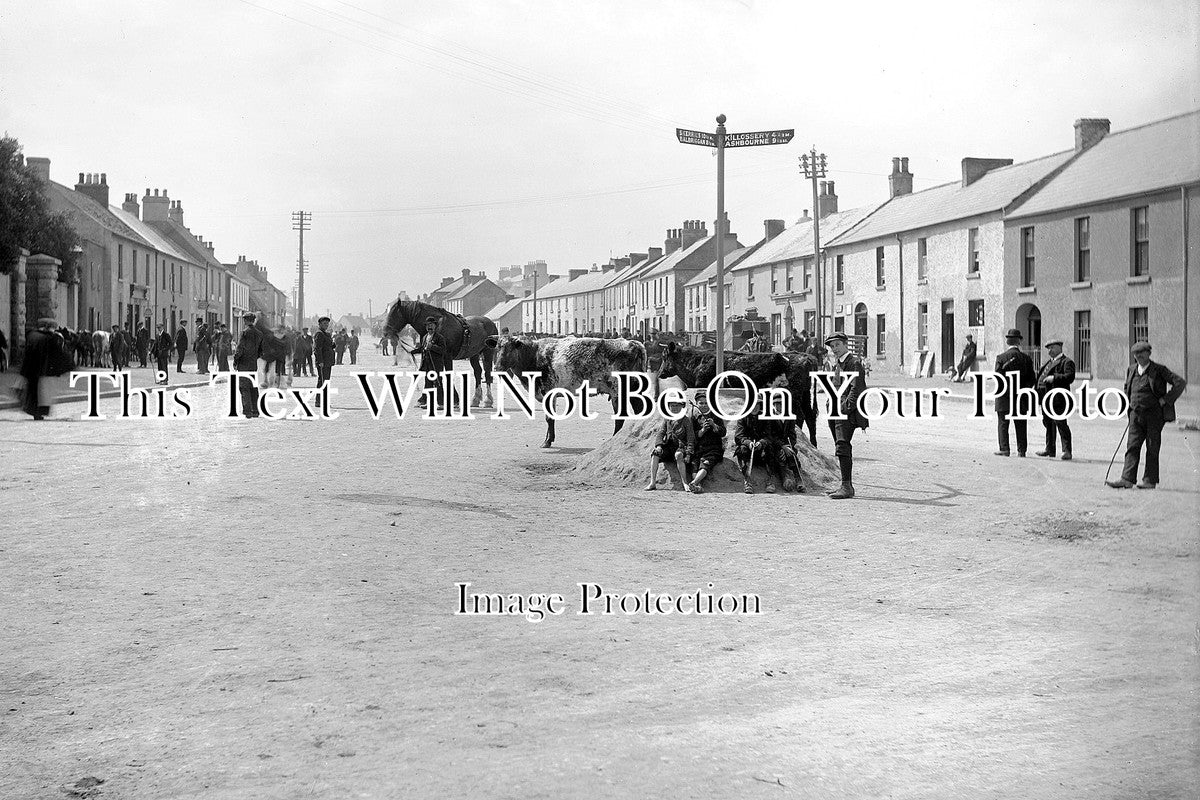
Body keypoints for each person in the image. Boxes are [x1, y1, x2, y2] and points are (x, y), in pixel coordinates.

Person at [1108, 341, 1187, 489]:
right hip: (1135, 415)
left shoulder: (1159, 369)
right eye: (1136, 354)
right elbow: (1127, 387)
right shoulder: (1131, 369)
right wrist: (1129, 404)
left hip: (1154, 415)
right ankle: (1127, 479)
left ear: (1149, 354)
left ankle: (1149, 481)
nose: (1139, 356)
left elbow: (1180, 383)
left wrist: (1166, 399)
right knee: (1132, 446)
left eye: (1142, 353)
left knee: (1152, 447)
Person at [824, 332, 868, 499]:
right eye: (832, 346)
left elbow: (856, 390)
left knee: (843, 445)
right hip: (835, 410)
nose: (834, 349)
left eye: (837, 345)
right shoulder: (839, 363)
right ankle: (844, 484)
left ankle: (847, 486)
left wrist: (844, 409)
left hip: (845, 412)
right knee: (839, 446)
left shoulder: (854, 363)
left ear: (844, 344)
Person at [994, 328, 1036, 457]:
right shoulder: (1026, 359)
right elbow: (1032, 379)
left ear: (1007, 341)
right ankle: (1021, 450)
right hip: (1020, 398)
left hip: (1004, 397)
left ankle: (1004, 449)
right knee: (1021, 424)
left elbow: (998, 379)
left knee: (1003, 423)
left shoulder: (1001, 358)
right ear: (1019, 342)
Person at [20, 318, 71, 420]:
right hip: (42, 370)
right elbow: (57, 354)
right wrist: (68, 364)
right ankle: (39, 412)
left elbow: (25, 353)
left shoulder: (31, 335)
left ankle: (32, 410)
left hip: (30, 369)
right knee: (42, 392)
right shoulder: (49, 338)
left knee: (32, 392)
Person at [1035, 337, 1076, 460]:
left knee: (1061, 423)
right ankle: (1050, 449)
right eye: (1048, 349)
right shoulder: (1048, 363)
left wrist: (1054, 378)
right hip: (1046, 399)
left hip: (1059, 399)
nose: (1049, 351)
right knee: (1048, 423)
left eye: (1052, 348)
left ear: (1059, 347)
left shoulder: (1066, 362)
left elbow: (1069, 377)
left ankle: (1067, 450)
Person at [645, 396, 695, 491]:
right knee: (655, 454)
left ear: (681, 407)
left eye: (677, 405)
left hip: (681, 447)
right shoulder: (667, 419)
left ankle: (685, 483)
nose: (675, 408)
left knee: (679, 455)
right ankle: (652, 483)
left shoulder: (686, 420)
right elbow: (661, 433)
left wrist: (688, 453)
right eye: (672, 406)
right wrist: (659, 446)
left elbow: (690, 438)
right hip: (668, 447)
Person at [685, 391, 726, 494]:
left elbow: (723, 432)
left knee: (706, 463)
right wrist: (702, 431)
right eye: (701, 403)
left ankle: (694, 483)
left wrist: (714, 426)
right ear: (696, 404)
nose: (703, 405)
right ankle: (698, 486)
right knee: (694, 464)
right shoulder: (693, 416)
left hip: (713, 448)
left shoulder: (716, 414)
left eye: (706, 403)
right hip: (699, 448)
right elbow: (690, 435)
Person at [412, 316, 447, 408]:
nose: (429, 327)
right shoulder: (424, 337)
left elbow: (443, 350)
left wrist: (432, 347)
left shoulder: (439, 337)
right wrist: (413, 351)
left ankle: (441, 403)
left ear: (435, 326)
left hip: (436, 365)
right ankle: (428, 403)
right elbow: (422, 349)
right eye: (427, 325)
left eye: (431, 325)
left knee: (438, 383)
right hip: (427, 364)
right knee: (428, 383)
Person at [233, 312, 263, 418]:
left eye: (244, 319)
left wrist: (236, 360)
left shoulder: (244, 332)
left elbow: (240, 348)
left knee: (244, 387)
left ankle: (247, 411)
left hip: (243, 363)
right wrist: (254, 357)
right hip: (253, 364)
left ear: (246, 320)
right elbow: (261, 351)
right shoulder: (259, 333)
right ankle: (256, 410)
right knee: (253, 387)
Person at [314, 316, 335, 388]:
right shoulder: (319, 334)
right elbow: (317, 349)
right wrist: (320, 361)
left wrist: (332, 344)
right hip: (323, 362)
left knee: (326, 381)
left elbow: (329, 346)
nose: (326, 325)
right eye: (324, 323)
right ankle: (319, 398)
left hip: (328, 361)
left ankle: (323, 397)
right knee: (322, 381)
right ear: (319, 324)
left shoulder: (326, 334)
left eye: (327, 323)